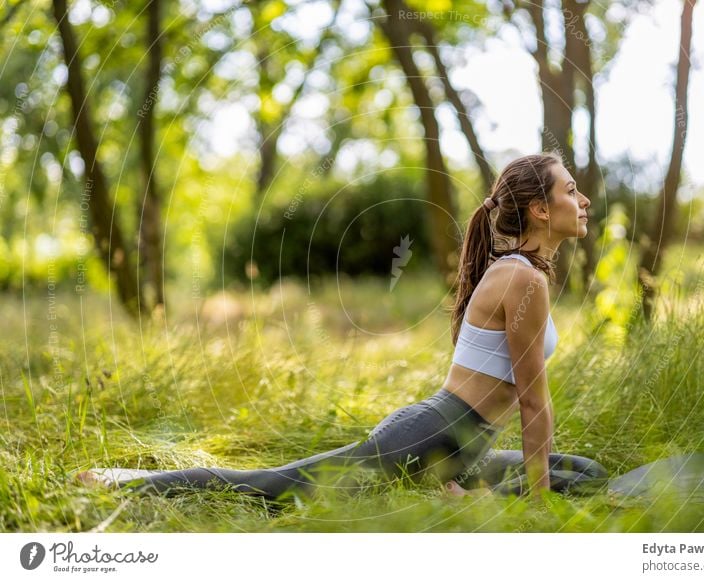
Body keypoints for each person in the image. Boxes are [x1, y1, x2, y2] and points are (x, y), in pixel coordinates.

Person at [75, 152, 607, 502]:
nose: (582, 201)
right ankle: (126, 483)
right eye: (570, 191)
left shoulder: (524, 275)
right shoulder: (523, 282)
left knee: (582, 472)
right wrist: (537, 510)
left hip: (465, 446)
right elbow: (535, 404)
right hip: (430, 437)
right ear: (539, 209)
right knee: (273, 487)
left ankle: (466, 495)